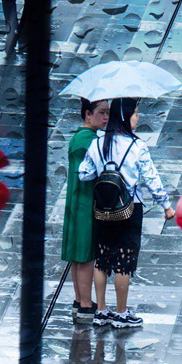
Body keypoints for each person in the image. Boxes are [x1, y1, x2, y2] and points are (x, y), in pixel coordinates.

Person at [78, 97, 175, 329]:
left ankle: (101, 311)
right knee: (123, 261)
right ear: (125, 116)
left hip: (102, 208)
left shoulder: (97, 144)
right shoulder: (137, 146)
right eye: (135, 114)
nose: (137, 118)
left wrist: (105, 173)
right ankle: (121, 313)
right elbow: (151, 179)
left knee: (102, 259)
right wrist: (166, 205)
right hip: (129, 209)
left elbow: (83, 173)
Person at [62, 98, 110, 323]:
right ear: (88, 114)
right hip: (86, 202)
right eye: (101, 112)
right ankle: (85, 304)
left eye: (107, 113)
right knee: (86, 255)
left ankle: (79, 299)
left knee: (77, 255)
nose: (105, 117)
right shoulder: (90, 141)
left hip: (76, 200)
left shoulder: (78, 137)